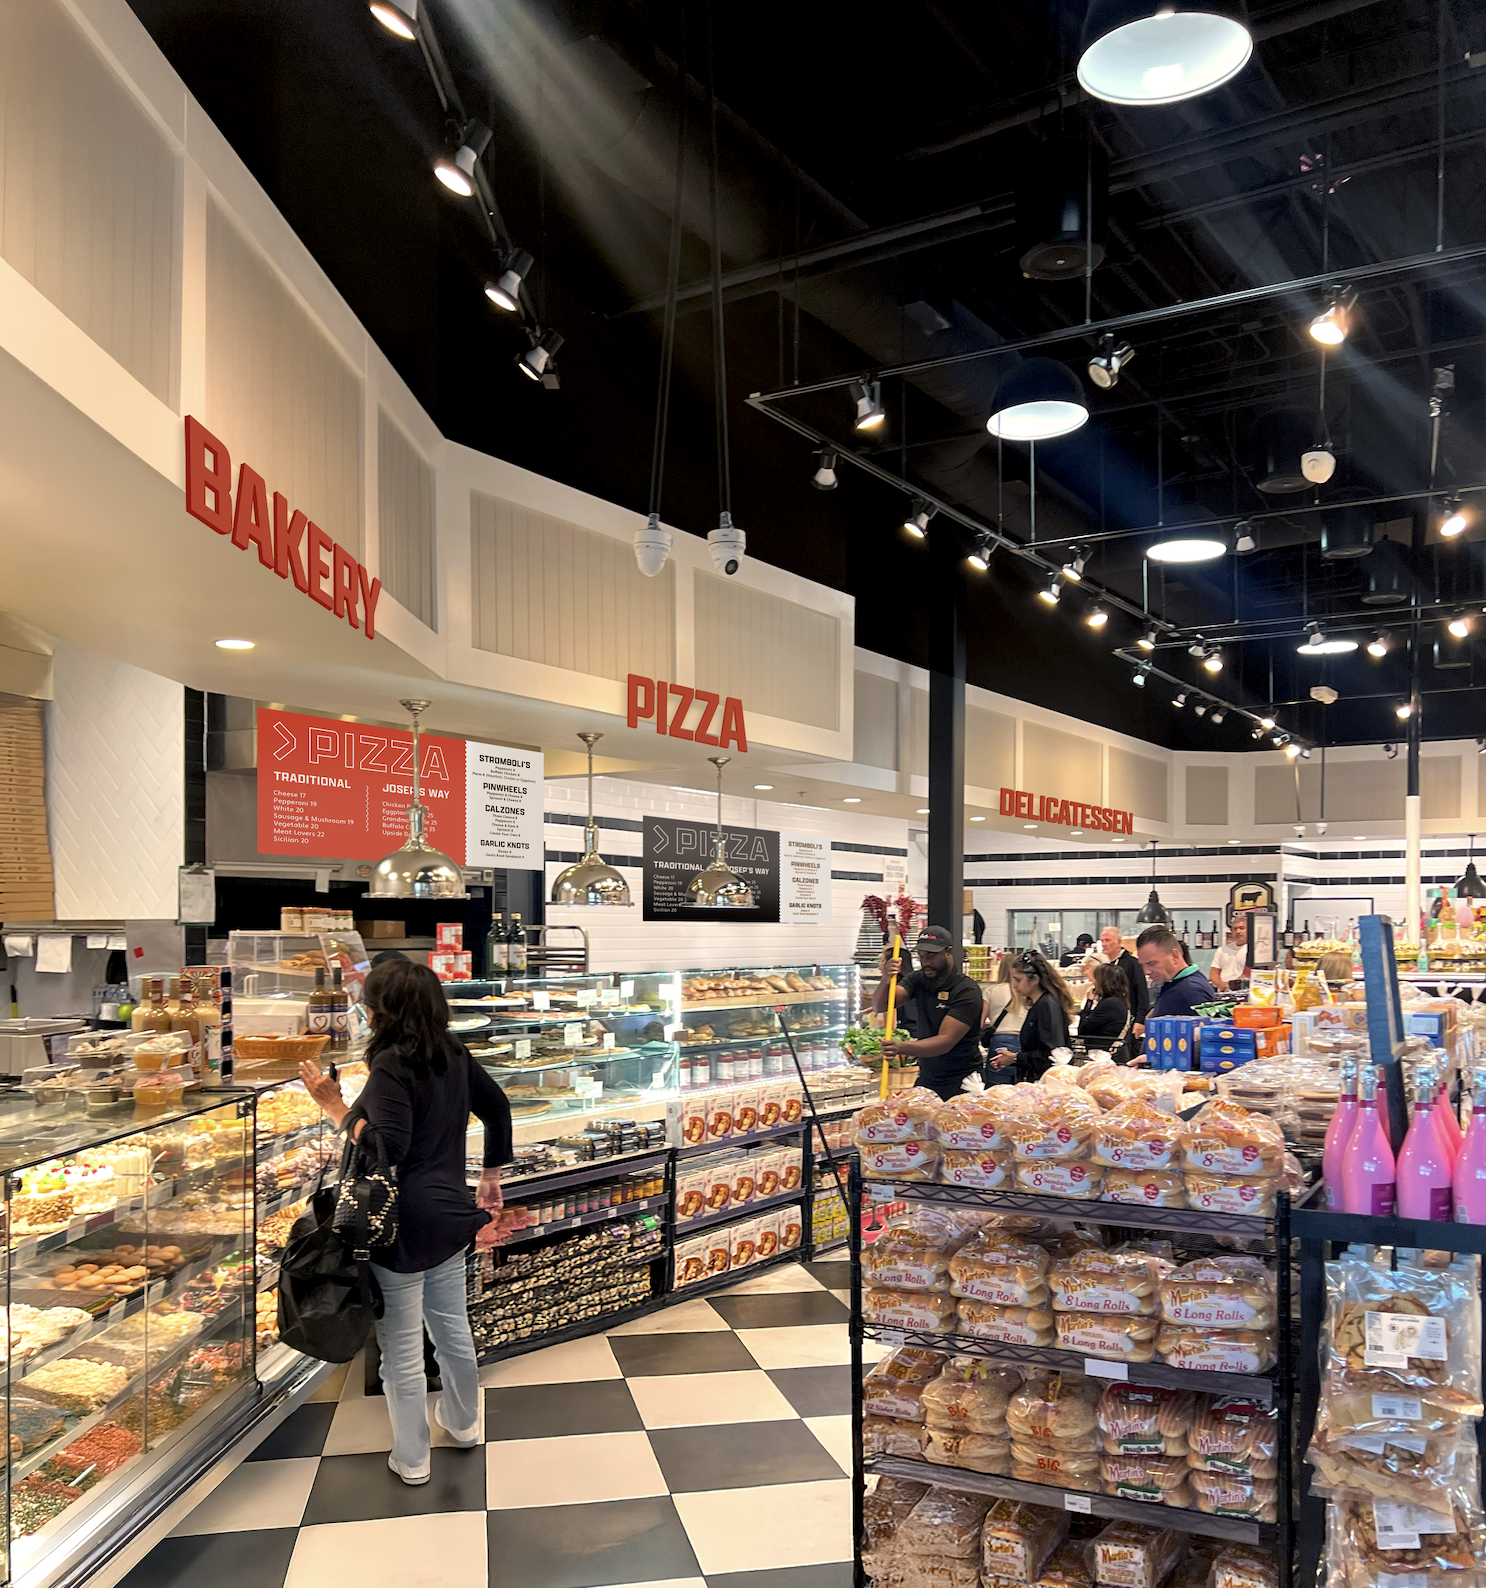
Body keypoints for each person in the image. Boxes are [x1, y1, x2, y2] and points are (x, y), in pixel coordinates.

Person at [298, 958, 513, 1486]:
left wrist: (335, 1107)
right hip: (448, 1215)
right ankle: (464, 1426)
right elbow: (499, 1107)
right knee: (452, 1329)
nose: (366, 1012)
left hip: (399, 1220)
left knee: (401, 1347)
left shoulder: (392, 1064)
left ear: (383, 1012)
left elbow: (386, 1146)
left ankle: (413, 1458)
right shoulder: (454, 1051)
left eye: (370, 1004)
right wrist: (490, 1175)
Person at [874, 924, 986, 1100]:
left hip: (963, 1081)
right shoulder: (918, 979)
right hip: (928, 1077)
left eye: (931, 955)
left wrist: (900, 1047)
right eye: (921, 955)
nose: (925, 961)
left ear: (948, 952)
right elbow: (880, 1005)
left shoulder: (966, 990)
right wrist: (886, 978)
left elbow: (945, 1042)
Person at [988, 949, 1076, 1083]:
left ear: (1035, 979)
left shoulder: (1045, 1005)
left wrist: (1016, 1057)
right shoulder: (1042, 1003)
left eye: (1018, 980)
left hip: (1046, 1080)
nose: (1014, 985)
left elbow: (1049, 1053)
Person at [1137, 925, 1218, 1017]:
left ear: (1174, 956)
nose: (1146, 972)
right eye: (1143, 965)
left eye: (1151, 963)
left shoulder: (1191, 991)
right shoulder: (1177, 985)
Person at [980, 954, 1027, 1085]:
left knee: (997, 1091)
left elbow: (980, 1023)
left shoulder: (990, 991)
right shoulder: (1026, 991)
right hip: (1024, 1042)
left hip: (1000, 1042)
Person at [1078, 961, 1136, 1063]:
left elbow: (1082, 1029)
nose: (1093, 982)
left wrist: (1089, 1003)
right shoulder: (1119, 1001)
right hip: (1114, 1056)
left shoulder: (1109, 1004)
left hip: (1104, 1058)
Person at [1098, 927, 1150, 1035]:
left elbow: (1142, 992)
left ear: (1119, 942)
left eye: (1108, 940)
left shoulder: (1132, 963)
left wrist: (1140, 1020)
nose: (1104, 944)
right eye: (1102, 941)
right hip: (1108, 1021)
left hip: (1129, 1020)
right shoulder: (1103, 964)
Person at [1209, 915, 1249, 992]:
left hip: (1244, 991)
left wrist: (1234, 986)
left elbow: (1248, 974)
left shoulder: (1255, 950)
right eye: (1235, 929)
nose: (1238, 931)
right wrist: (1220, 984)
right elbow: (1213, 972)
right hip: (1224, 992)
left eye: (1242, 928)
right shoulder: (1222, 950)